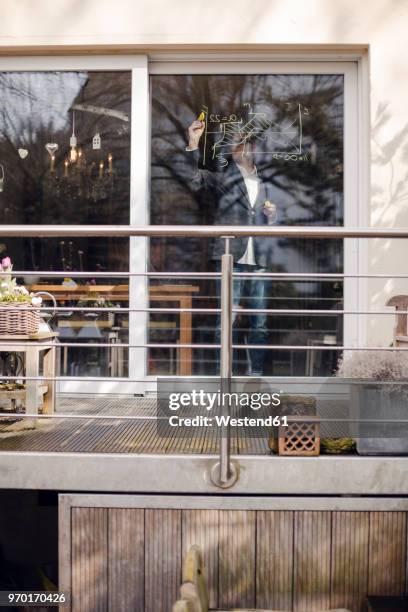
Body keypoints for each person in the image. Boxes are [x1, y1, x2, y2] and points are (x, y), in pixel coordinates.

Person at [185, 117, 278, 376]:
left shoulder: (264, 182)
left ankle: (255, 374)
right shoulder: (225, 178)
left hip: (258, 258)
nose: (243, 148)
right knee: (226, 319)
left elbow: (269, 221)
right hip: (230, 256)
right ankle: (222, 374)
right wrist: (194, 142)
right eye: (238, 143)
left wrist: (272, 217)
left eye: (247, 144)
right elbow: (198, 178)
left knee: (259, 322)